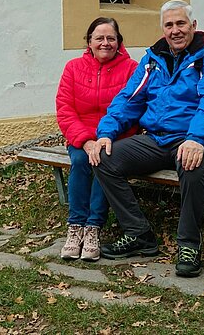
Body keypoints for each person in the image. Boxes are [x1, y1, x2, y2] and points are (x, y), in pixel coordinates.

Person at [89, 0, 204, 277]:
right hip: (157, 139)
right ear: (163, 29)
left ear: (193, 26)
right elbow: (129, 99)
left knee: (192, 164)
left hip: (200, 138)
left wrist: (197, 138)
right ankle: (138, 234)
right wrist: (105, 133)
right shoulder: (152, 60)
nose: (175, 30)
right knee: (103, 158)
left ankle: (189, 244)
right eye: (169, 25)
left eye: (180, 23)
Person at [56, 17, 138, 262]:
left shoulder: (132, 68)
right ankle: (75, 227)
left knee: (103, 160)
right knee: (82, 160)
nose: (105, 43)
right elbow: (65, 109)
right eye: (99, 38)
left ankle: (93, 229)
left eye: (111, 38)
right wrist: (85, 140)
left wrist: (105, 138)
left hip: (116, 138)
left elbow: (132, 107)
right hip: (82, 136)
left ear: (119, 42)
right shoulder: (73, 68)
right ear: (89, 42)